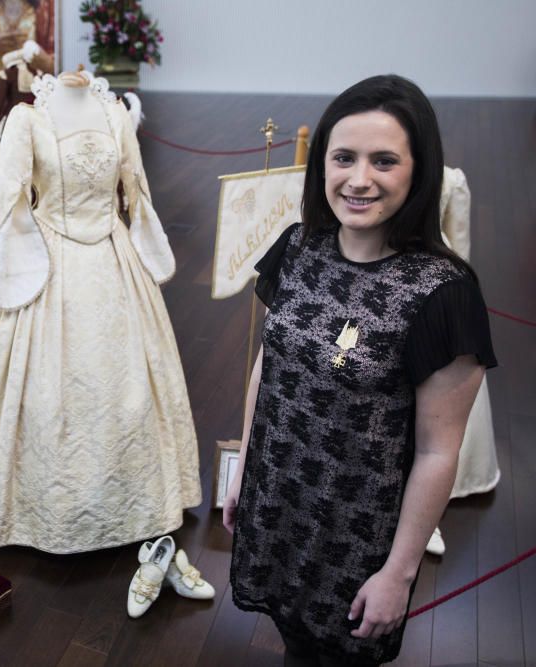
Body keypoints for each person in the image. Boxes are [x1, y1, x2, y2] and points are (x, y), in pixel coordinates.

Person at [222, 75, 496, 666]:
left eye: (385, 161)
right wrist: (246, 464)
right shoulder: (298, 247)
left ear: (418, 172)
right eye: (343, 158)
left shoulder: (442, 295)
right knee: (295, 643)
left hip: (355, 532)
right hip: (281, 497)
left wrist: (399, 574)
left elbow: (436, 453)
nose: (359, 179)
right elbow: (269, 365)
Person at [0, 71, 201, 553]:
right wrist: (17, 263)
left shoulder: (117, 114)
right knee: (44, 386)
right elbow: (9, 198)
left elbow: (136, 188)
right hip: (47, 256)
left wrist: (147, 243)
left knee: (124, 379)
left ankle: (133, 496)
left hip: (112, 254)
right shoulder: (27, 118)